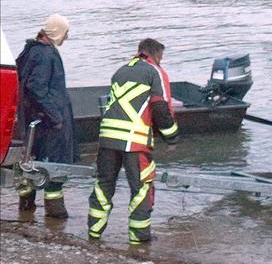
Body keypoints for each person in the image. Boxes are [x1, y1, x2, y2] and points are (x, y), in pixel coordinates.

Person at [87, 38, 179, 244]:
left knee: (103, 185)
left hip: (107, 139)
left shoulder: (119, 71)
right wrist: (172, 138)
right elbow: (161, 108)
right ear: (156, 55)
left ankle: (94, 233)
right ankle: (139, 238)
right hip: (135, 142)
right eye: (161, 57)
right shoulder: (155, 72)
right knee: (141, 187)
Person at [14, 14, 78, 218]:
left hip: (33, 121)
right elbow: (37, 87)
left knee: (30, 165)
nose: (66, 37)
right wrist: (56, 117)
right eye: (65, 32)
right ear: (57, 32)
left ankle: (25, 212)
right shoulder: (45, 55)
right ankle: (56, 215)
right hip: (48, 123)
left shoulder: (30, 51)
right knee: (55, 168)